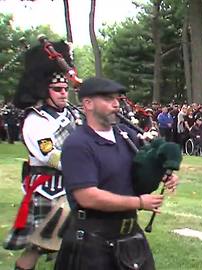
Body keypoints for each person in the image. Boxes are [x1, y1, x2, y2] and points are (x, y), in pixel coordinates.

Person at [54, 77, 179, 270]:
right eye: (108, 99)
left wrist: (163, 173)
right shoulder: (78, 144)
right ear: (87, 103)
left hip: (130, 237)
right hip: (92, 241)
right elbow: (87, 197)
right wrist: (139, 203)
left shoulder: (125, 134)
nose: (116, 105)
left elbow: (139, 166)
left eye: (117, 99)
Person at [3, 41, 80, 270]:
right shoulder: (35, 120)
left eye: (65, 89)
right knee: (36, 247)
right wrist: (84, 165)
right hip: (47, 189)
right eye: (57, 90)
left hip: (73, 187)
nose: (63, 93)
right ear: (43, 90)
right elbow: (50, 155)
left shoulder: (74, 114)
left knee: (70, 246)